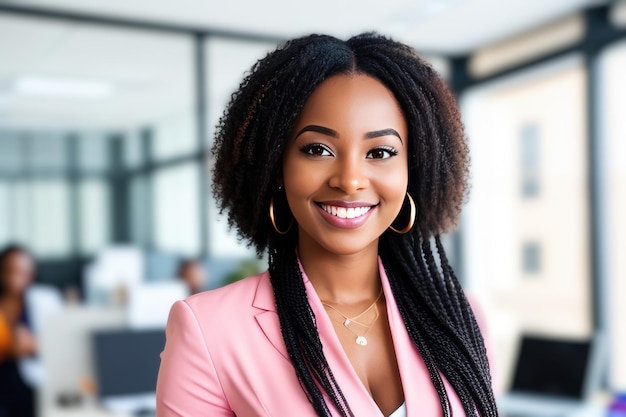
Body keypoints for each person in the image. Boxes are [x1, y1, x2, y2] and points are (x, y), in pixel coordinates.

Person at [156, 33, 498, 417]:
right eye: (318, 150)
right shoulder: (208, 329)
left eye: (380, 152)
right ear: (277, 166)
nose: (350, 180)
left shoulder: (461, 317)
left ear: (411, 171)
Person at [0, 244, 36, 417]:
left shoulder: (40, 302)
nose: (16, 278)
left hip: (29, 384)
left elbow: (58, 344)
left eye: (23, 272)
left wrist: (34, 345)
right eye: (11, 271)